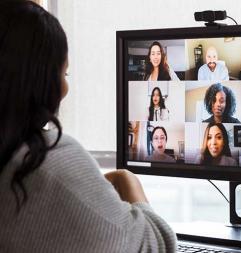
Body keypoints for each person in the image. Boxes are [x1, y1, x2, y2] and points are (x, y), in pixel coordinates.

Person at [0, 1, 176, 252]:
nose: (65, 88)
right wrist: (130, 184)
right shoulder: (44, 160)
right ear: (42, 79)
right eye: (64, 74)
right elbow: (157, 246)